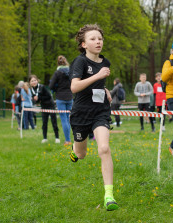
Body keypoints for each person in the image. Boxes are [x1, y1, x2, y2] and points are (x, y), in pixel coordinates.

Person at [69, 24, 119, 211]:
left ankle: (109, 195)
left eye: (100, 38)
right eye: (93, 39)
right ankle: (75, 150)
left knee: (104, 148)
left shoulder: (105, 62)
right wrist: (97, 76)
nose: (98, 41)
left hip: (100, 111)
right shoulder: (79, 62)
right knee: (81, 155)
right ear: (83, 44)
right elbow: (74, 87)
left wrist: (104, 88)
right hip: (81, 113)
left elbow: (97, 82)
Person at [49, 55, 73, 146]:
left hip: (60, 98)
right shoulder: (71, 72)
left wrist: (56, 88)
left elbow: (51, 86)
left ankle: (68, 140)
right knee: (68, 118)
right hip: (70, 97)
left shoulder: (57, 73)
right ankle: (70, 138)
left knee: (64, 119)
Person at [29, 75, 60, 143]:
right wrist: (35, 100)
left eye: (35, 80)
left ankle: (57, 138)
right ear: (30, 83)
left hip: (50, 105)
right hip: (43, 107)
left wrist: (39, 98)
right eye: (32, 81)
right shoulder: (31, 90)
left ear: (37, 81)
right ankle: (45, 138)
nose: (34, 82)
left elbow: (48, 96)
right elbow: (36, 101)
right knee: (44, 122)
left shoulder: (42, 87)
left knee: (53, 121)